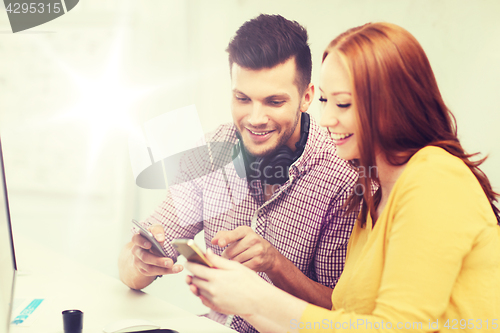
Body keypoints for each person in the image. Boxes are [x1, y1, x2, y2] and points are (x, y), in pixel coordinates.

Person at [185, 22, 500, 332]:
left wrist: (255, 298)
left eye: (344, 103)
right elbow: (343, 317)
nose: (327, 119)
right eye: (325, 101)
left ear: (395, 105)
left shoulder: (436, 180)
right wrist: (241, 299)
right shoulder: (372, 196)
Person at [118, 14, 359, 332]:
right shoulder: (211, 150)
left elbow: (338, 311)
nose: (255, 118)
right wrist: (140, 262)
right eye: (242, 98)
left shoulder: (342, 178)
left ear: (307, 97)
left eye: (274, 101)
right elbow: (131, 265)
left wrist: (275, 264)